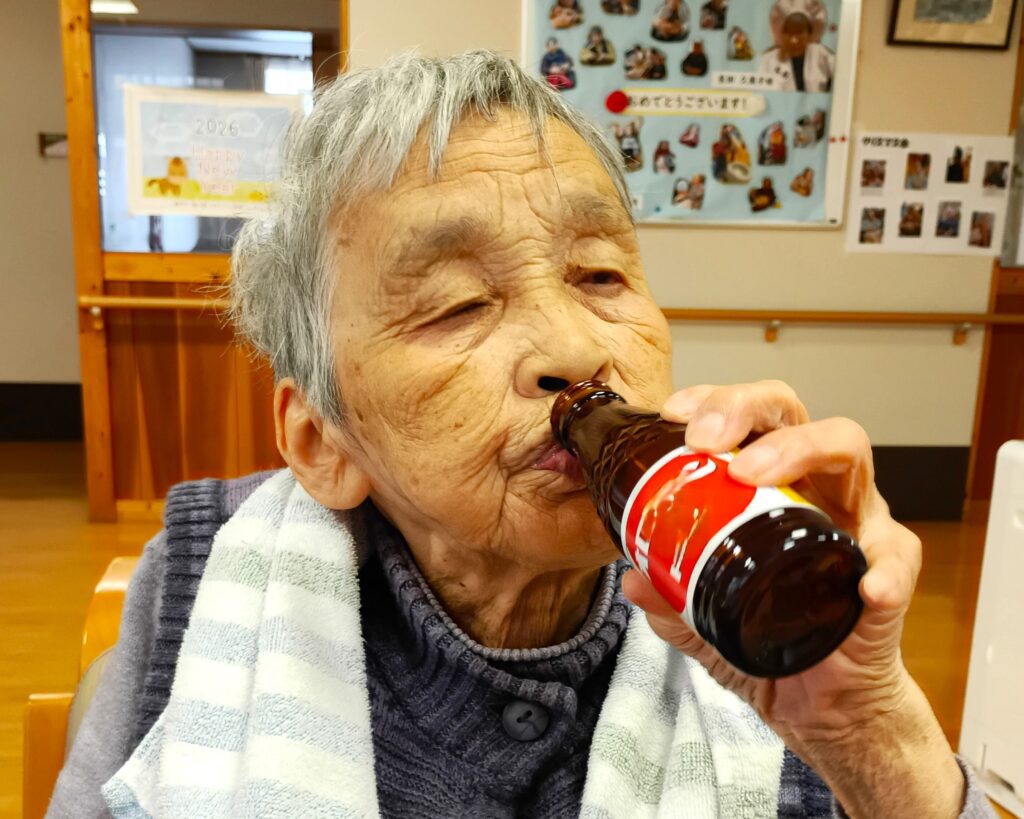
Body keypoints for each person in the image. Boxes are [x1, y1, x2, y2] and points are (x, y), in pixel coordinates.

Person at [50, 50, 994, 819]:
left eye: (600, 275)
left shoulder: (749, 607)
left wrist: (864, 727)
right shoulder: (211, 584)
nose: (576, 350)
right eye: (457, 302)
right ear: (321, 443)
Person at [759, 0, 835, 92]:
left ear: (809, 33)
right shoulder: (768, 60)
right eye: (789, 32)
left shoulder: (821, 55)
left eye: (799, 32)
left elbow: (842, 76)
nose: (794, 40)